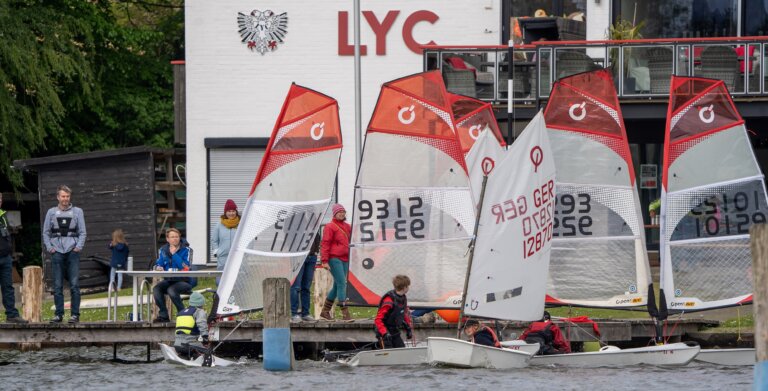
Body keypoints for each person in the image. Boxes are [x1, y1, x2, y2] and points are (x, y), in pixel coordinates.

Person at [43, 185, 86, 324]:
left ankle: (75, 315)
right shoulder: (51, 212)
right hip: (57, 253)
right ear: (58, 197)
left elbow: (82, 232)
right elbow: (46, 232)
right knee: (57, 285)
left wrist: (78, 247)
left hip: (72, 252)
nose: (65, 199)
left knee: (74, 284)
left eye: (67, 196)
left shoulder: (78, 212)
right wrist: (50, 248)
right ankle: (58, 314)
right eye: (63, 196)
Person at [153, 228, 196, 322]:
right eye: (172, 237)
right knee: (156, 289)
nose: (175, 239)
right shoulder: (163, 250)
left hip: (184, 280)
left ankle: (183, 315)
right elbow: (158, 263)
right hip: (169, 280)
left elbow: (186, 267)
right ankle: (164, 315)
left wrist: (174, 254)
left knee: (171, 290)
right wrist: (157, 267)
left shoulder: (187, 250)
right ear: (167, 239)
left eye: (177, 236)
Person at [319, 204, 352, 321]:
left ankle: (325, 312)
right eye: (339, 212)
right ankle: (345, 313)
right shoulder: (330, 226)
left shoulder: (348, 226)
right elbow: (325, 244)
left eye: (343, 211)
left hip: (345, 258)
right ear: (334, 214)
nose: (342, 213)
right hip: (334, 258)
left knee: (337, 285)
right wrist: (324, 260)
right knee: (342, 283)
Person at [0, 193, 27, 323]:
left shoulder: (2, 215)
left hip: (5, 258)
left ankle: (11, 315)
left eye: (0, 199)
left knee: (8, 287)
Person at [374, 275, 413, 349]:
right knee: (389, 352)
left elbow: (403, 313)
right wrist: (384, 333)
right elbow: (378, 319)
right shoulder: (389, 301)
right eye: (408, 286)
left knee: (401, 349)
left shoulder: (403, 298)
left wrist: (408, 328)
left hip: (394, 330)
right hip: (384, 332)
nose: (408, 288)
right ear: (404, 287)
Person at [291, 233, 320, 322]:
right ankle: (294, 313)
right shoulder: (293, 220)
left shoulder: (313, 220)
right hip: (298, 256)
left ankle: (305, 313)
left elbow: (317, 235)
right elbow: (289, 235)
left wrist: (315, 251)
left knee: (306, 287)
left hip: (311, 256)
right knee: (296, 286)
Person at [173, 291, 209, 360]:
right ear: (200, 302)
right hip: (190, 346)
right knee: (208, 350)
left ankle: (184, 356)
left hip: (177, 345)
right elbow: (202, 325)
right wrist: (205, 338)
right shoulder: (199, 311)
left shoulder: (181, 312)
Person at [212, 199, 239, 285]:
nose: (231, 213)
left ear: (236, 211)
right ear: (225, 212)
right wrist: (217, 251)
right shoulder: (219, 225)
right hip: (223, 258)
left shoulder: (241, 224)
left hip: (237, 257)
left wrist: (246, 253)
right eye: (229, 211)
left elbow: (248, 240)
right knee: (220, 282)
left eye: (233, 211)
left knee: (237, 283)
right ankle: (221, 298)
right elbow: (214, 240)